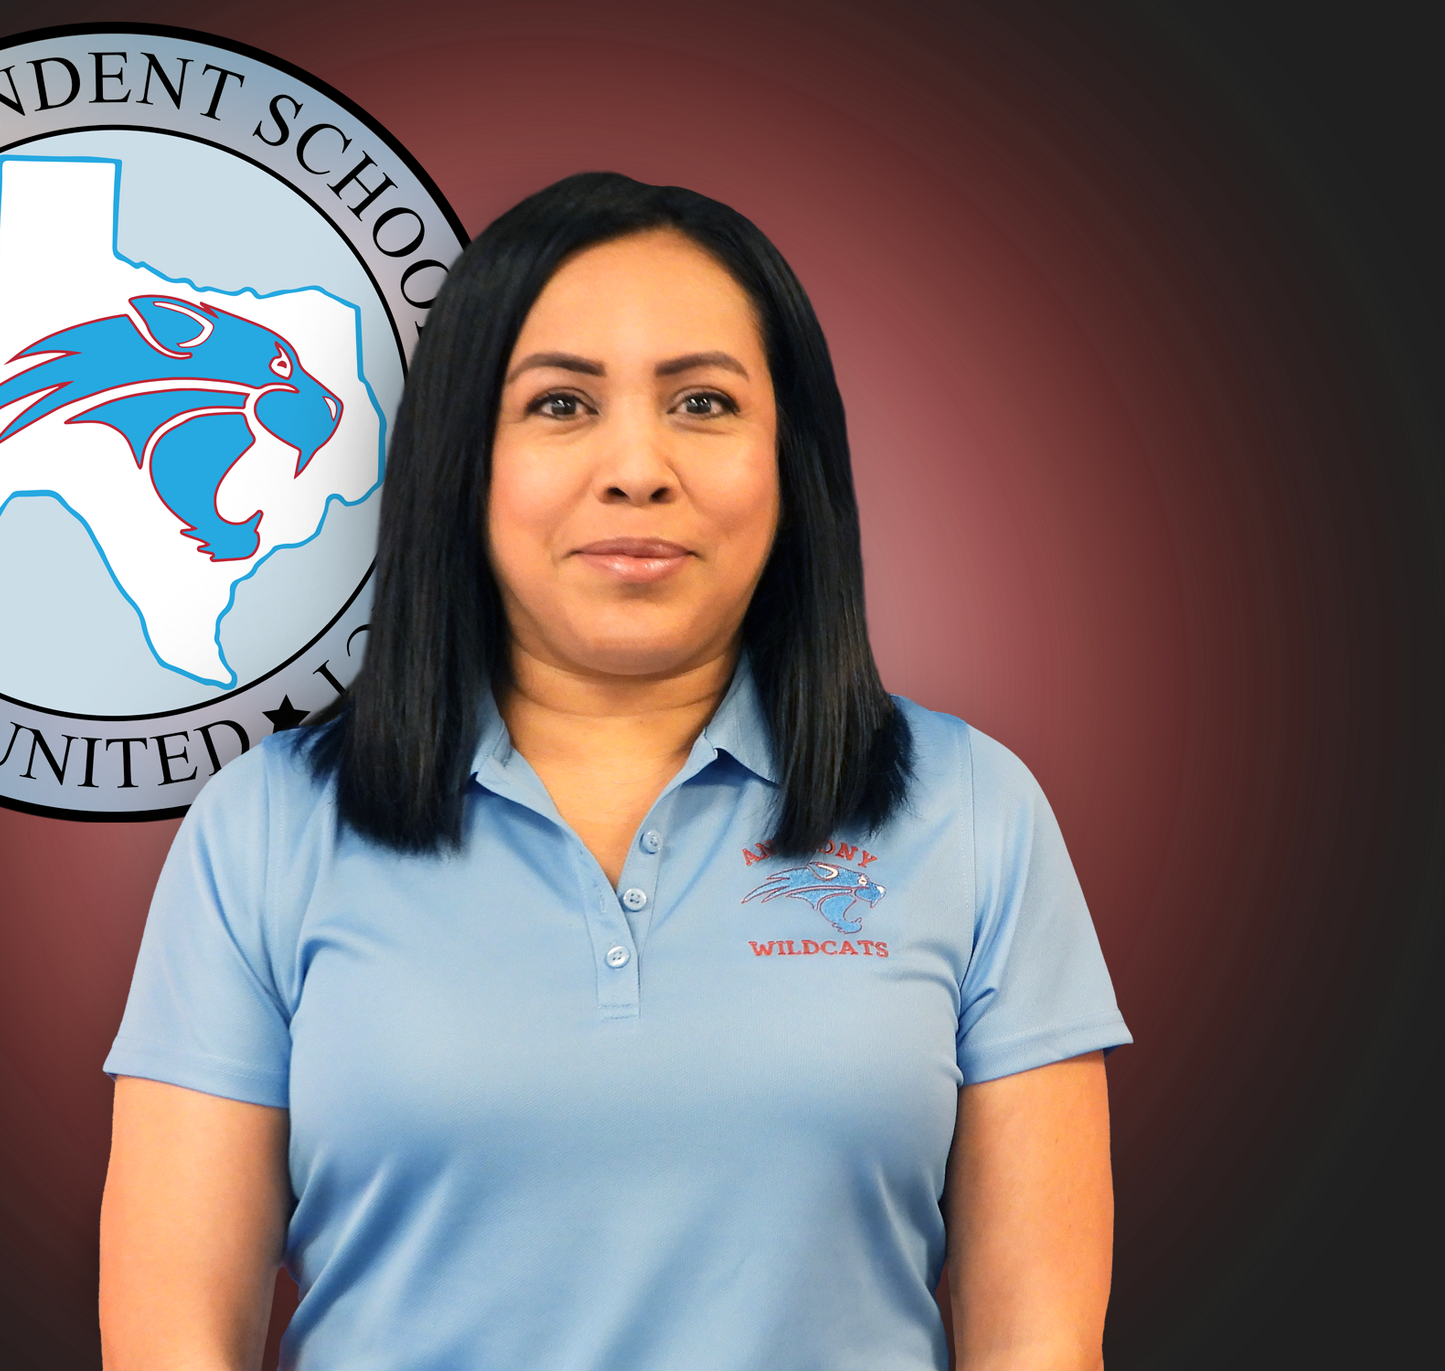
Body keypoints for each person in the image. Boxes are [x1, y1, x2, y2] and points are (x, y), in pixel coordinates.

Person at [100, 171, 1130, 1371]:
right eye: (560, 406)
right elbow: (172, 1339)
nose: (637, 467)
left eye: (702, 402)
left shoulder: (970, 813)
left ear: (790, 464)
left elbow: (1040, 1345)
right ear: (463, 460)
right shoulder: (267, 826)